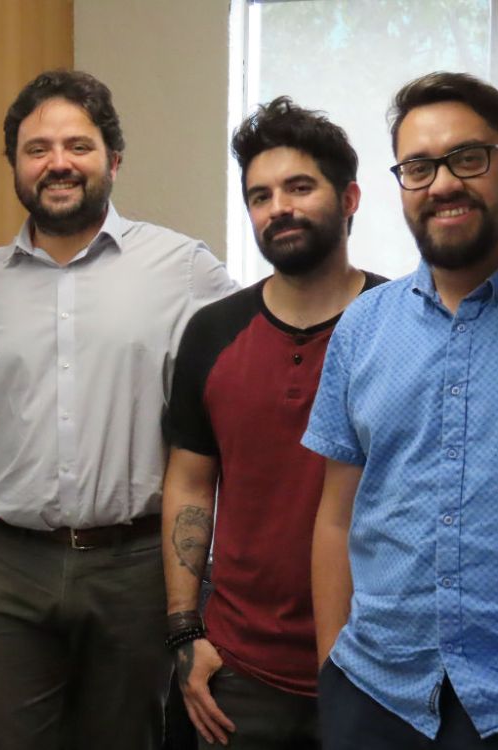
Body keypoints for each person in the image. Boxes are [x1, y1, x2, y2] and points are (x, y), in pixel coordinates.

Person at [0, 69, 238, 750]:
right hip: (12, 567)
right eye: (37, 148)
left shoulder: (181, 267)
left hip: (133, 566)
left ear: (113, 160)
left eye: (78, 145)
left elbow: (257, 358)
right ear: (13, 164)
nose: (58, 163)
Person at [304, 72, 498, 749]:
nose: (442, 184)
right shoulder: (362, 328)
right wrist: (331, 674)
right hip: (375, 695)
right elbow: (336, 518)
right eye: (418, 167)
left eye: (468, 158)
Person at [163, 97, 386, 749]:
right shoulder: (213, 332)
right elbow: (188, 483)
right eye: (260, 195)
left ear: (349, 198)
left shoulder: (402, 323)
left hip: (376, 671)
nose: (278, 207)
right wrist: (185, 632)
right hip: (237, 679)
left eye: (299, 187)